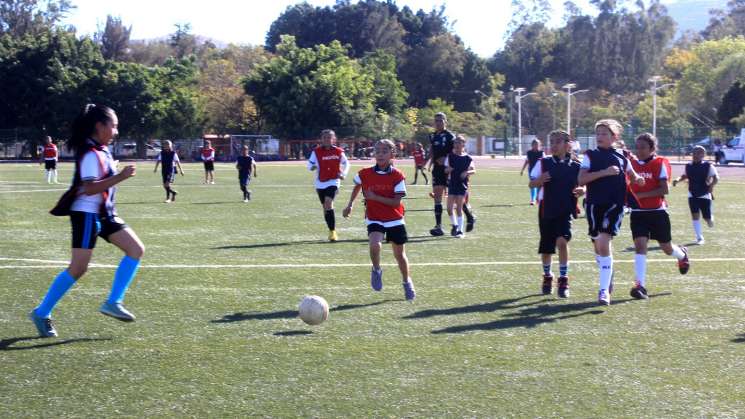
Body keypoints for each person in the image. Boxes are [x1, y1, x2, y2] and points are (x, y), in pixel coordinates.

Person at [31, 104, 145, 338]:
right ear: (99, 126)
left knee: (135, 249)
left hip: (105, 213)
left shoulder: (102, 150)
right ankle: (41, 312)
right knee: (78, 268)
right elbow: (90, 188)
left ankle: (113, 302)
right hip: (86, 214)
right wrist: (120, 176)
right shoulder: (90, 154)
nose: (116, 131)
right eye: (113, 126)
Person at [578, 119, 645, 306]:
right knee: (598, 246)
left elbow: (632, 174)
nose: (599, 137)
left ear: (614, 137)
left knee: (603, 240)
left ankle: (603, 291)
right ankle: (608, 276)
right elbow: (581, 179)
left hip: (615, 205)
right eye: (597, 133)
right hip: (593, 205)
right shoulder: (590, 155)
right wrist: (604, 172)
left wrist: (638, 179)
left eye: (604, 134)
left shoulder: (623, 155)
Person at [343, 139, 415, 301]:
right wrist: (350, 205)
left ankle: (406, 282)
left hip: (395, 219)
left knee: (400, 255)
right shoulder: (364, 173)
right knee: (375, 245)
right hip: (374, 217)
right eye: (378, 151)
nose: (380, 154)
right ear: (373, 154)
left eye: (384, 151)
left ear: (392, 155)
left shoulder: (397, 176)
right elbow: (357, 185)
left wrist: (375, 197)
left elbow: (396, 202)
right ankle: (376, 270)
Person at [627, 133, 690, 299]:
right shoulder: (631, 163)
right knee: (640, 246)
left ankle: (682, 254)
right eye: (637, 147)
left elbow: (664, 189)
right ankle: (639, 286)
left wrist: (641, 196)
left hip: (657, 212)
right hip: (638, 213)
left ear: (652, 148)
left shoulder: (660, 162)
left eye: (643, 147)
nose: (639, 150)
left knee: (667, 248)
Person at [529, 130, 583, 298]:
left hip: (565, 209)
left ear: (568, 145)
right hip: (547, 209)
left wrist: (583, 190)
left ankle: (563, 278)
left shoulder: (576, 166)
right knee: (546, 248)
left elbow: (583, 185)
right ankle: (547, 276)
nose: (553, 145)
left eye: (558, 141)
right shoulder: (543, 163)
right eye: (551, 141)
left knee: (562, 242)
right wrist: (539, 180)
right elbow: (532, 184)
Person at [308, 129, 350, 242]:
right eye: (325, 137)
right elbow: (310, 164)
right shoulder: (316, 152)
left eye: (329, 137)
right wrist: (312, 167)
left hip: (333, 181)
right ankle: (330, 228)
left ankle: (332, 232)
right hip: (320, 183)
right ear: (321, 139)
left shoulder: (339, 151)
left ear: (334, 139)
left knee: (328, 203)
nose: (327, 139)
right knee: (326, 208)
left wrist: (343, 174)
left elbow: (346, 163)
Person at [673, 145, 719, 244]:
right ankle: (699, 238)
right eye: (695, 152)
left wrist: (711, 186)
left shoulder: (708, 166)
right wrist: (677, 180)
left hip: (705, 194)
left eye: (699, 153)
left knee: (707, 219)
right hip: (692, 194)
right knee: (695, 215)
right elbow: (685, 175)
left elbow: (716, 178)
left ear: (703, 155)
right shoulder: (688, 165)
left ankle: (709, 218)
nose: (696, 154)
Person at [426, 112, 455, 236]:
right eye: (436, 120)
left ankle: (466, 218)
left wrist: (447, 159)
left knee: (455, 198)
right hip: (437, 170)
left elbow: (457, 152)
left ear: (445, 122)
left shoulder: (450, 136)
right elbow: (432, 149)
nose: (438, 123)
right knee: (437, 198)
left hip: (449, 170)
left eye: (440, 120)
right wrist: (428, 162)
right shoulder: (432, 136)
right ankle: (439, 227)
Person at [444, 135, 475, 238]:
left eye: (459, 142)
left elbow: (473, 170)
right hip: (452, 184)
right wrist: (448, 170)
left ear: (463, 144)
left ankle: (460, 231)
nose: (456, 144)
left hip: (462, 185)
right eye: (455, 142)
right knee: (449, 209)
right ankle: (455, 225)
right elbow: (445, 169)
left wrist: (467, 172)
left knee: (458, 208)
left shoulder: (468, 158)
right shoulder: (450, 156)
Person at [520, 139, 544, 205]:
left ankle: (537, 198)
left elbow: (545, 161)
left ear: (539, 145)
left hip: (540, 171)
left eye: (537, 145)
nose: (536, 146)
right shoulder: (529, 153)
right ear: (532, 145)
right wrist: (522, 170)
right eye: (534, 145)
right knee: (533, 185)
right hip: (532, 172)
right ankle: (532, 200)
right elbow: (526, 161)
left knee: (539, 185)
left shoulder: (542, 153)